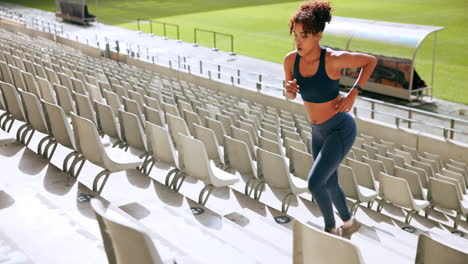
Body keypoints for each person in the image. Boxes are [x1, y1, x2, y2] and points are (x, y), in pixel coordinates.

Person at [283, 0, 377, 236]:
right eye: (295, 35)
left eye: (304, 35)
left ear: (318, 35)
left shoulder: (333, 59)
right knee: (330, 182)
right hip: (317, 132)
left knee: (315, 183)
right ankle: (348, 221)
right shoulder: (290, 60)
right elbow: (289, 94)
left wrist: (353, 93)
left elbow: (370, 61)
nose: (298, 41)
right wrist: (290, 91)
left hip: (340, 129)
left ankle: (330, 228)